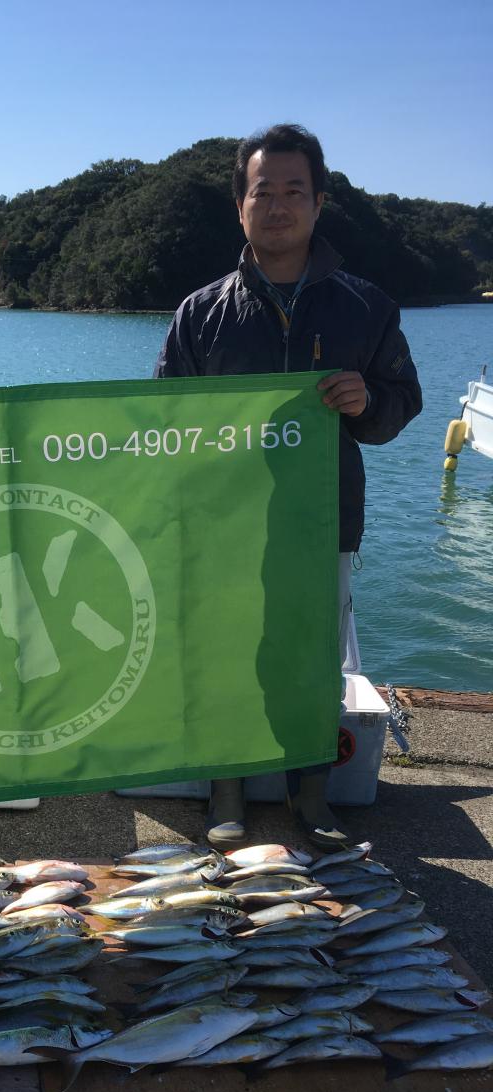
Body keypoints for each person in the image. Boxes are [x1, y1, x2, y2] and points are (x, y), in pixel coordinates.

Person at [155, 123, 421, 852]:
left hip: (321, 520)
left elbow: (403, 402)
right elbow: (162, 422)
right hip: (222, 524)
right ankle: (227, 792)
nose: (277, 206)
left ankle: (312, 797)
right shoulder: (200, 312)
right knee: (224, 656)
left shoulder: (365, 306)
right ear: (239, 205)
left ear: (319, 202)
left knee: (312, 663)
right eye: (261, 191)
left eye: (293, 191)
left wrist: (367, 401)